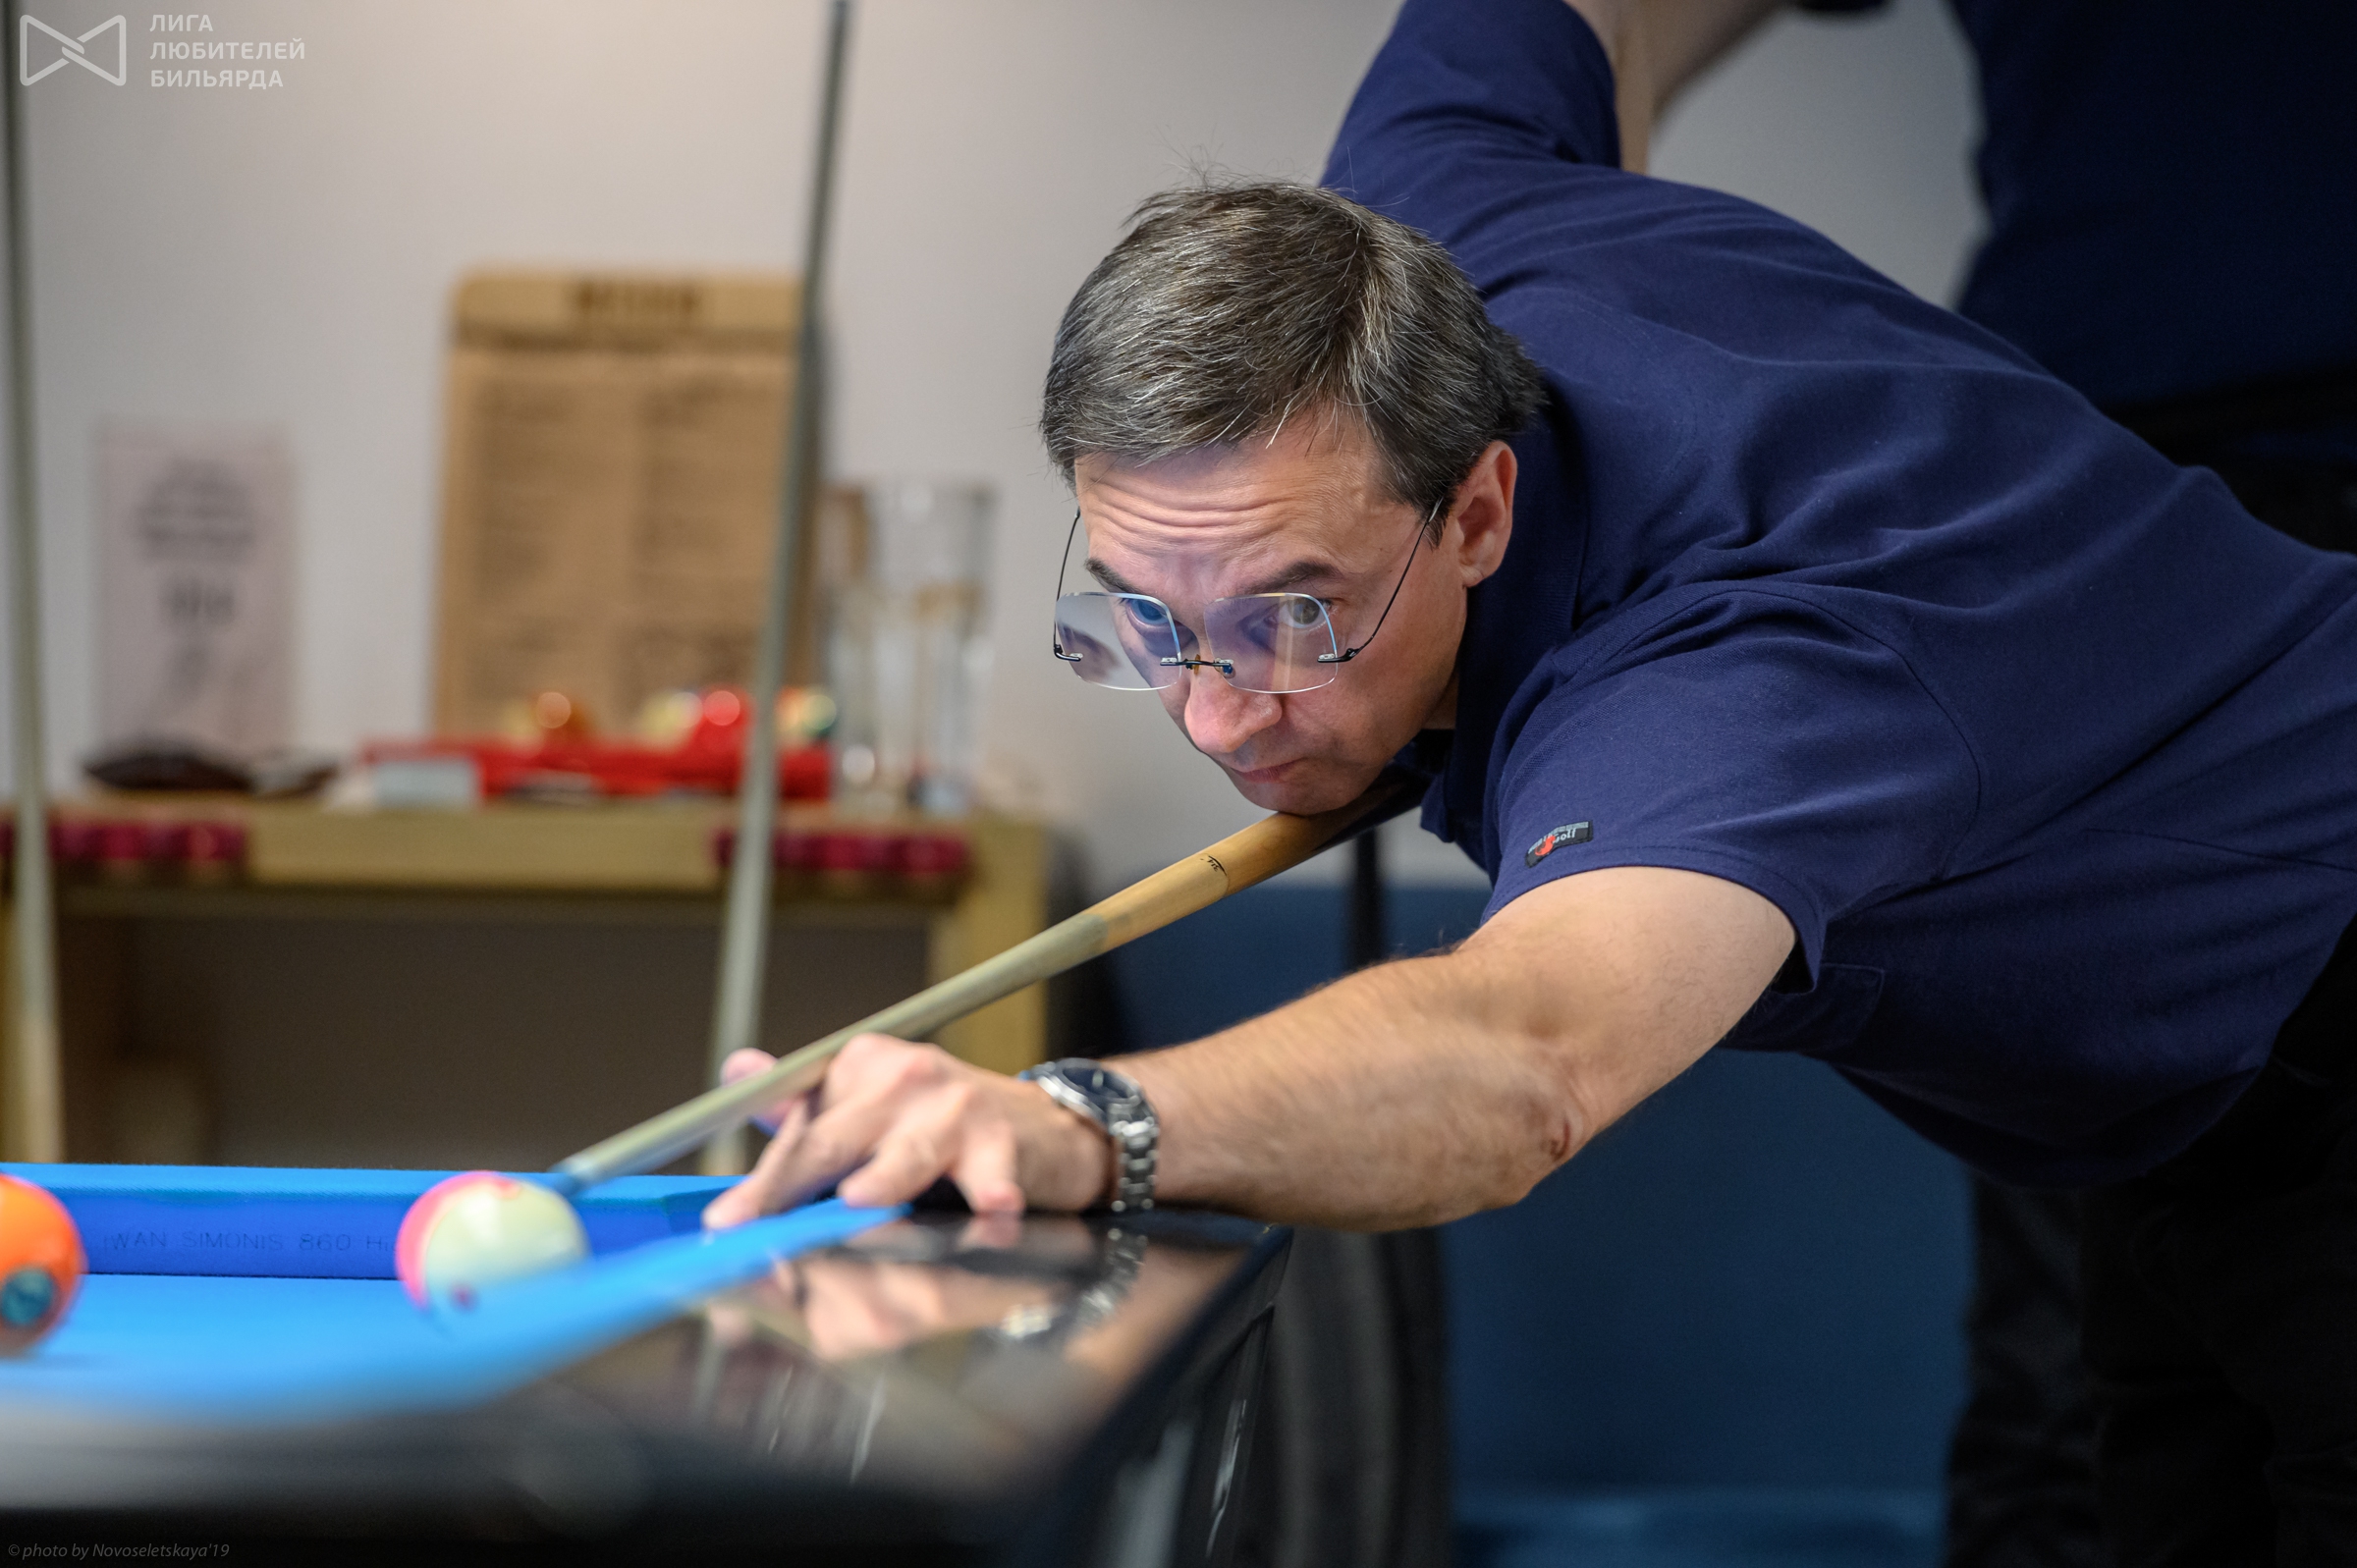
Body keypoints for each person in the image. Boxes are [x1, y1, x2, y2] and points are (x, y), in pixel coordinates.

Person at [703, 0, 2357, 1557]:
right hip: (2173, 1092)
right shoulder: (1425, 216)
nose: (1217, 717)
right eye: (1150, 621)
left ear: (1480, 512)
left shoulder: (1735, 679)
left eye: (1295, 612)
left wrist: (1085, 1123)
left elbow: (1527, 1061)